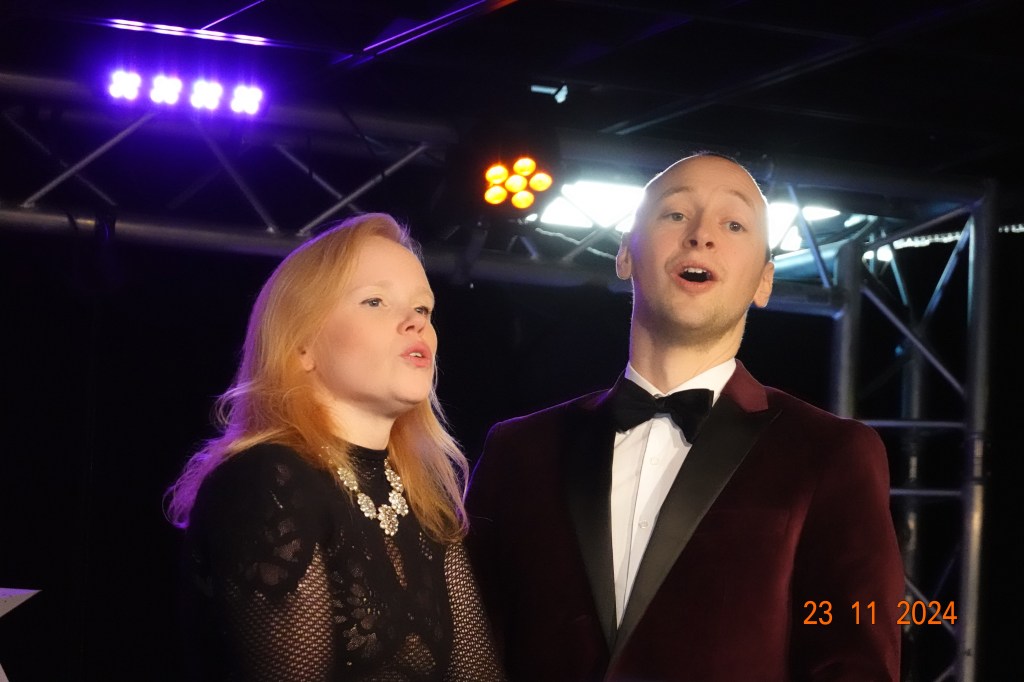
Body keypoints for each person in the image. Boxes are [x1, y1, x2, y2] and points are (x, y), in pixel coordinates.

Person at [464, 153, 905, 681]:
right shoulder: (520, 450)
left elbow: (855, 665)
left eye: (733, 224)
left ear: (765, 281)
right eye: (675, 214)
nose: (701, 236)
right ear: (625, 254)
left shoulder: (830, 454)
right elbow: (466, 652)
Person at [166, 213, 504, 681]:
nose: (415, 323)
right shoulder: (268, 479)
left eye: (423, 309)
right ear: (302, 344)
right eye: (375, 301)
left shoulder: (425, 499)